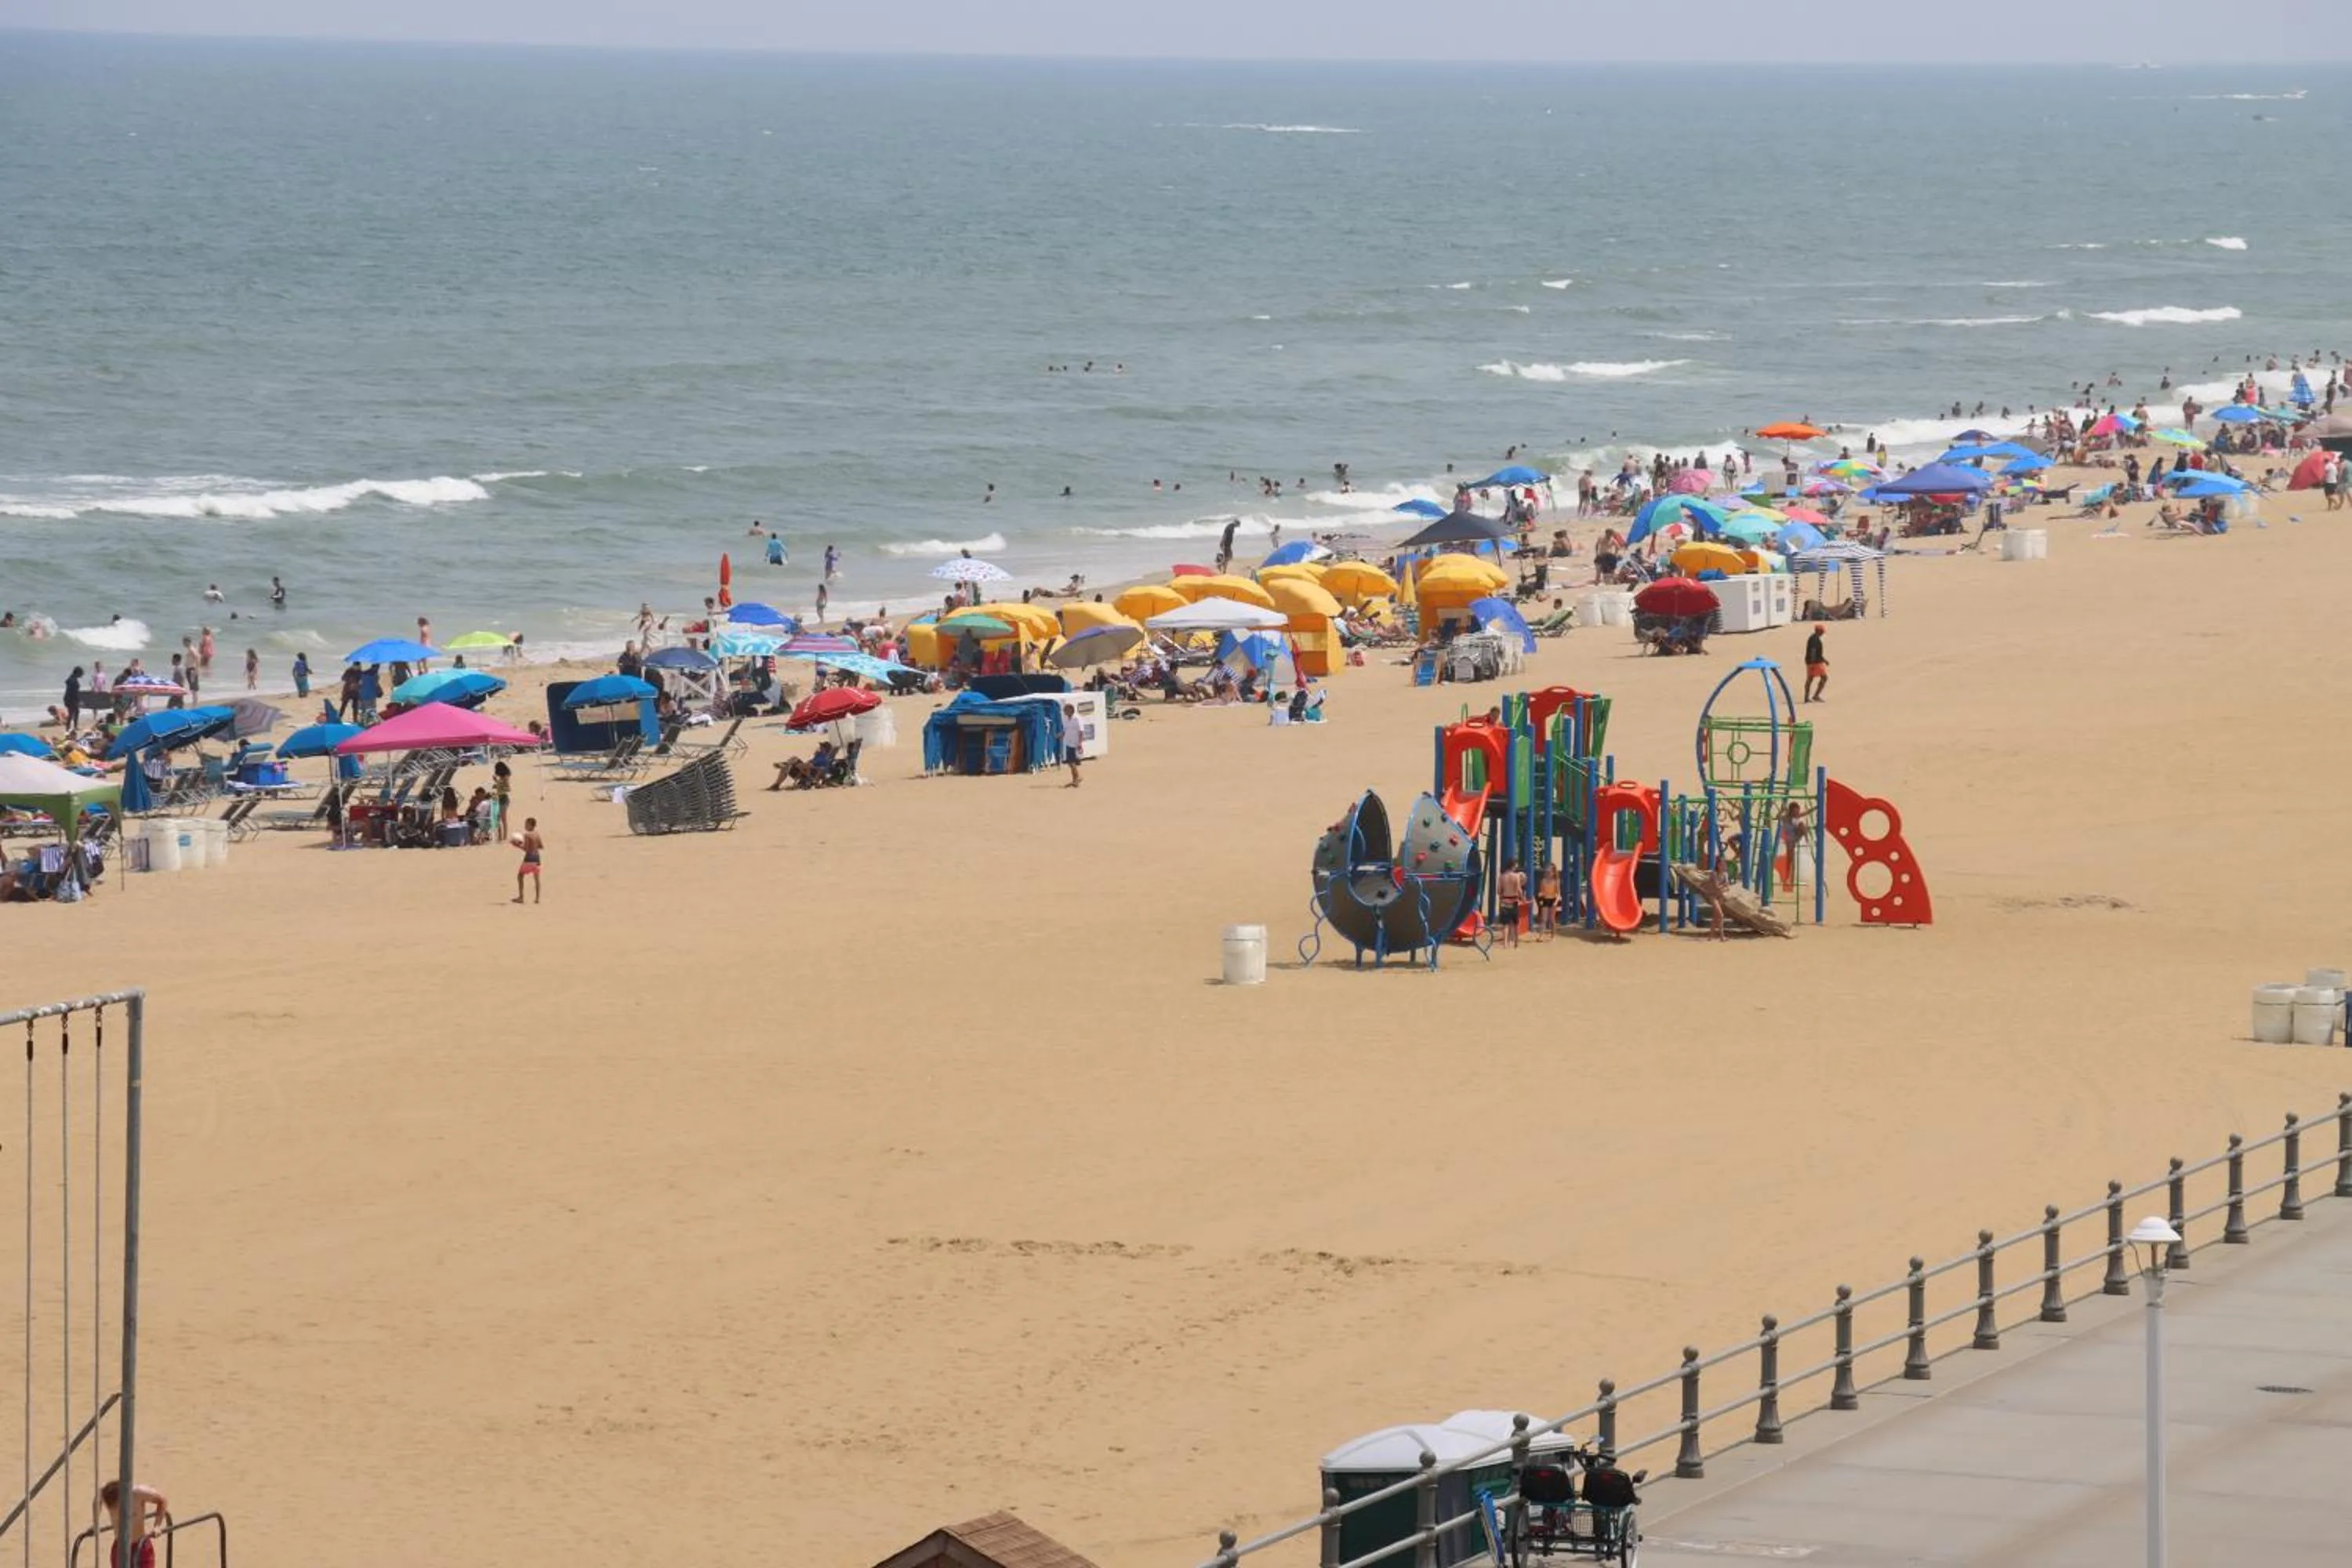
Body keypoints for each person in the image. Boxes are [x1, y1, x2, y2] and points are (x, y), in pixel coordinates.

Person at [97, 1479, 169, 1568]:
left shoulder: (138, 1493)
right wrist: (95, 1524)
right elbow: (97, 1501)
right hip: (120, 1548)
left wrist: (157, 1526)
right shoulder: (104, 1493)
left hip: (141, 1546)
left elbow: (162, 1500)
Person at [512, 818, 543, 904]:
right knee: (537, 878)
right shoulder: (537, 834)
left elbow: (526, 849)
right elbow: (541, 846)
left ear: (530, 825)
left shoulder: (527, 835)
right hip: (537, 857)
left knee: (520, 876)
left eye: (526, 824)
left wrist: (517, 845)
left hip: (529, 857)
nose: (525, 826)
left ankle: (521, 897)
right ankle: (537, 898)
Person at [1497, 860, 1525, 946]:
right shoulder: (1516, 876)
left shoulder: (1502, 877)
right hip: (1514, 900)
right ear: (1513, 866)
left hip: (1504, 901)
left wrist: (1503, 894)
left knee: (1505, 924)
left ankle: (1505, 943)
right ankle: (1516, 942)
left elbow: (1499, 891)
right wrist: (1523, 899)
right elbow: (1519, 890)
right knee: (1516, 923)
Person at [1059, 701, 1085, 788]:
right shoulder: (1066, 719)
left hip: (1075, 743)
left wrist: (1080, 743)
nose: (1064, 712)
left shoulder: (1077, 719)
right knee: (1071, 763)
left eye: (1065, 710)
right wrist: (1060, 735)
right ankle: (1075, 779)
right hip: (1068, 743)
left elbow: (1081, 731)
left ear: (1071, 710)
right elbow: (1065, 730)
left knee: (1072, 762)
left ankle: (1077, 778)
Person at [1534, 859, 1561, 938]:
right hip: (1545, 899)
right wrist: (1540, 894)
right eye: (1547, 872)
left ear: (1553, 873)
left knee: (1552, 919)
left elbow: (1558, 893)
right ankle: (1541, 936)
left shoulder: (1556, 881)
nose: (1548, 873)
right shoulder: (1543, 881)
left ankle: (1553, 935)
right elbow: (1541, 891)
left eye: (1550, 872)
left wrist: (1556, 902)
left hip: (1553, 900)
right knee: (1543, 919)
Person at [1802, 623, 1828, 703]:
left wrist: (1824, 660)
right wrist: (1813, 664)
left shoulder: (1814, 638)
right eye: (1822, 632)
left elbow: (1817, 652)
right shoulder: (1815, 640)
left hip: (1814, 661)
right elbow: (1813, 652)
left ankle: (1807, 697)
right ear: (1819, 631)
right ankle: (1815, 696)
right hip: (1815, 662)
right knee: (1823, 677)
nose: (1823, 633)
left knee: (1810, 679)